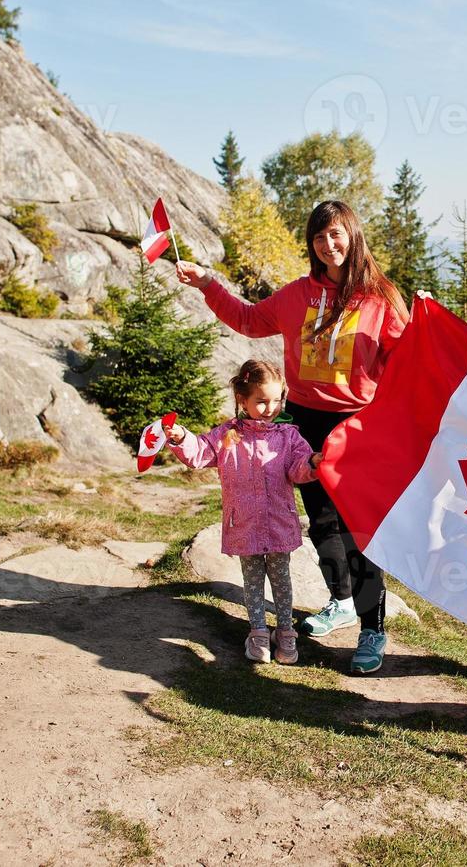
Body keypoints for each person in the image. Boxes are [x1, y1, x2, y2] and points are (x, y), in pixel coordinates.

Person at [174, 200, 408, 674]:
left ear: (353, 236)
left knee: (357, 529)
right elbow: (245, 319)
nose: (329, 244)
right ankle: (341, 600)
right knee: (321, 522)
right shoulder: (297, 295)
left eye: (337, 234)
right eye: (320, 237)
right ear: (312, 245)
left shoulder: (379, 298)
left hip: (357, 425)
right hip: (302, 421)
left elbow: (408, 358)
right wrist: (206, 283)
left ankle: (372, 628)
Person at [165, 359, 320, 665]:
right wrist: (182, 438)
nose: (270, 408)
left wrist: (313, 463)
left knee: (281, 578)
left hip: (279, 521)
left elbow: (298, 468)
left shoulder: (288, 436)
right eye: (261, 401)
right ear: (242, 399)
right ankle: (259, 632)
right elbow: (199, 453)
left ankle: (286, 631)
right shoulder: (227, 435)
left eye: (277, 400)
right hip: (245, 523)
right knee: (252, 580)